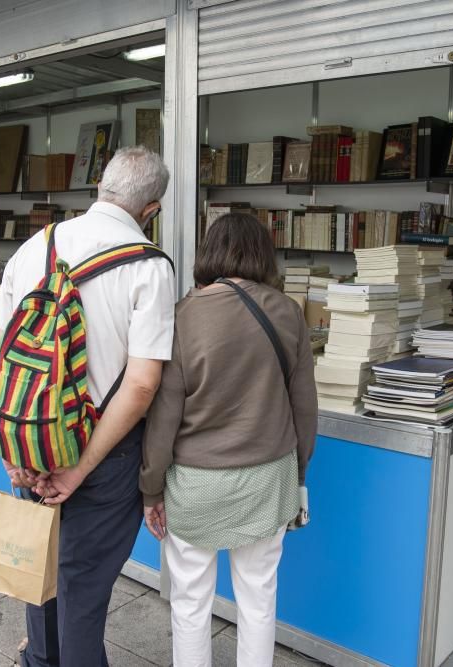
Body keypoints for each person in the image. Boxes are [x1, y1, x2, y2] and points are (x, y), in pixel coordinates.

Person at [0, 146, 176, 667]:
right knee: (82, 589)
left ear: (100, 189)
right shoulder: (149, 267)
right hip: (104, 455)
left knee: (37, 569)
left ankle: (38, 661)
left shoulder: (35, 247)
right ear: (151, 209)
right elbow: (140, 387)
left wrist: (13, 445)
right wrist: (79, 468)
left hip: (31, 441)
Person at [139, 212, 317, 667]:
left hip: (195, 484)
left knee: (190, 600)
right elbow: (304, 410)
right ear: (263, 255)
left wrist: (151, 488)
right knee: (259, 598)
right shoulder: (289, 312)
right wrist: (297, 476)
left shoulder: (184, 315)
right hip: (267, 478)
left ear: (209, 253)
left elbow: (164, 418)